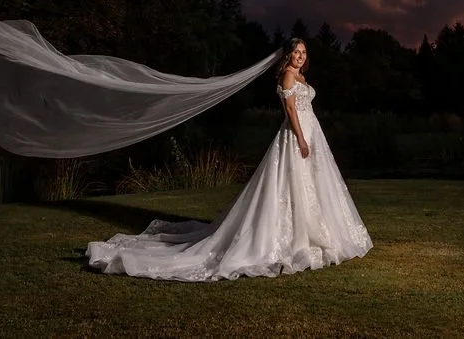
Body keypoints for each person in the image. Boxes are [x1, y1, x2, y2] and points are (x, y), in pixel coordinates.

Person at [85, 37, 373, 281]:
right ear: (287, 55)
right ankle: (290, 235)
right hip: (297, 133)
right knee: (291, 183)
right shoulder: (287, 74)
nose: (300, 57)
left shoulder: (301, 77)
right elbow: (290, 110)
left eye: (304, 53)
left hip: (312, 132)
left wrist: (308, 135)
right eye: (296, 52)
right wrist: (299, 137)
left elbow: (303, 106)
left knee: (312, 183)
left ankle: (310, 229)